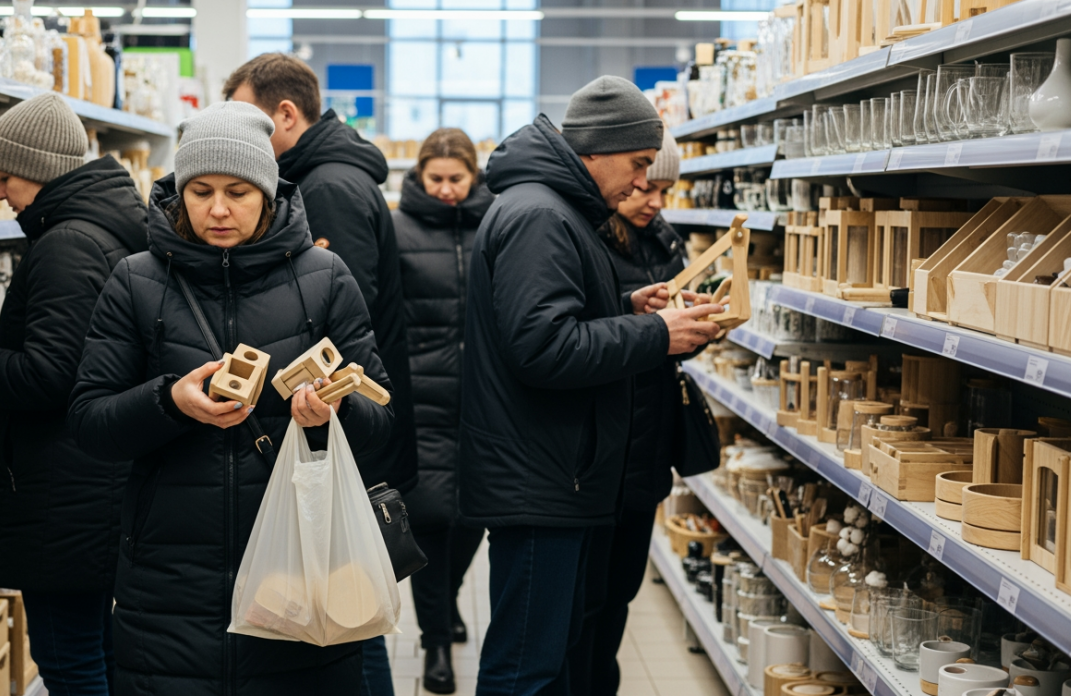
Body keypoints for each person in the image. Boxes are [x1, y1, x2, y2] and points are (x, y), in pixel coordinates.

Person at [67, 101, 395, 695]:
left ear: (268, 193)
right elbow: (91, 423)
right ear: (178, 192)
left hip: (298, 577)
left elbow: (381, 422)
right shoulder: (136, 281)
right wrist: (170, 402)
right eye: (200, 190)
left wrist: (332, 414)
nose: (218, 209)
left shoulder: (324, 277)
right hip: (167, 593)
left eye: (238, 191)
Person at [459, 76, 724, 695]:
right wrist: (658, 334)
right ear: (598, 150)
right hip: (542, 477)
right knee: (523, 669)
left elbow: (552, 320)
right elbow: (543, 348)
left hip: (557, 470)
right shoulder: (540, 216)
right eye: (637, 164)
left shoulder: (555, 210)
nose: (640, 182)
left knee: (548, 661)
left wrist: (626, 305)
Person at [0, 92, 147, 696]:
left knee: (67, 659)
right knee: (98, 645)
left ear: (38, 171)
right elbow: (74, 345)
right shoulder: (99, 228)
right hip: (93, 483)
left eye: (4, 176)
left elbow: (50, 377)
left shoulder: (68, 244)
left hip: (65, 492)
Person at [223, 52, 414, 694]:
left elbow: (331, 328)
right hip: (339, 424)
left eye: (251, 122)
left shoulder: (325, 187)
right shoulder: (337, 174)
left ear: (285, 113)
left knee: (345, 607)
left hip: (337, 422)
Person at [573, 130, 694, 695]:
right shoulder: (593, 240)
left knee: (619, 591)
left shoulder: (667, 242)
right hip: (603, 445)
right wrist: (649, 329)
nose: (654, 201)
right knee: (584, 599)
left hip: (648, 445)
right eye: (646, 185)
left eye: (665, 189)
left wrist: (696, 328)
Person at [393, 128, 494, 694]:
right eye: (436, 179)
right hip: (421, 399)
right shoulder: (397, 228)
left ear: (474, 176)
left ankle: (448, 601)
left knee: (473, 517)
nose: (448, 189)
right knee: (429, 523)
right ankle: (435, 642)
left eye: (458, 179)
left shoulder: (495, 228)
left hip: (483, 402)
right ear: (420, 176)